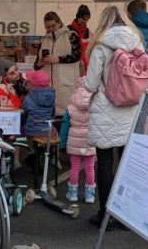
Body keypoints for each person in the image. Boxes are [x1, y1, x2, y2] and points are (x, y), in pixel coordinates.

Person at [85, 6, 148, 229]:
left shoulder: (101, 45)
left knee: (104, 163)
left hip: (106, 108)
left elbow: (91, 84)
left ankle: (105, 215)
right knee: (127, 163)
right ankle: (127, 213)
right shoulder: (137, 42)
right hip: (131, 108)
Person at [35, 11, 82, 115]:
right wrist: (39, 63)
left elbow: (77, 55)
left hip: (66, 87)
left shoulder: (71, 35)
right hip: (47, 90)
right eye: (47, 27)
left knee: (66, 118)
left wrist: (58, 59)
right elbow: (36, 66)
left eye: (53, 26)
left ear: (60, 22)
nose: (51, 29)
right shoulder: (44, 40)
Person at [65, 76, 96, 204]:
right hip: (90, 139)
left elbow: (65, 126)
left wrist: (62, 142)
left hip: (74, 140)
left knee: (75, 167)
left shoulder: (70, 107)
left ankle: (72, 193)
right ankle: (89, 195)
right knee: (90, 167)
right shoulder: (94, 105)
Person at [22, 70, 56, 137]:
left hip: (32, 130)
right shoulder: (51, 96)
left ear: (33, 83)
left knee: (21, 129)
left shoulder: (28, 97)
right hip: (48, 129)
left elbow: (24, 113)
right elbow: (53, 113)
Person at [68, 4, 92, 74]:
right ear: (78, 17)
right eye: (83, 19)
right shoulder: (67, 30)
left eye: (87, 19)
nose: (85, 21)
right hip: (71, 65)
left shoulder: (89, 32)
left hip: (85, 67)